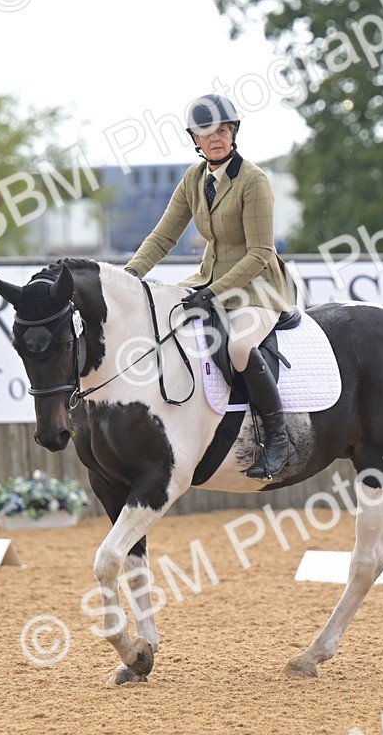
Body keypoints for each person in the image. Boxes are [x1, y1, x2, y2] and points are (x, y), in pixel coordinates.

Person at [123, 94, 297, 480]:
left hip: (259, 286)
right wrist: (130, 274)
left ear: (233, 133)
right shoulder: (193, 179)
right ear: (195, 139)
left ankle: (279, 439)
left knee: (238, 346)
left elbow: (260, 253)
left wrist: (215, 293)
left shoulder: (254, 180)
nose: (216, 138)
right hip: (208, 278)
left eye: (223, 130)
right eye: (207, 132)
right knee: (164, 318)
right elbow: (163, 237)